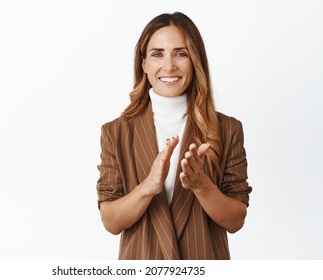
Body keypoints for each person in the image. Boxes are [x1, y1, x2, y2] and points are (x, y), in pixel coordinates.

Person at [96, 12, 252, 260]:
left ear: (195, 61)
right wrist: (147, 187)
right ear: (144, 64)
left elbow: (236, 220)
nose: (169, 66)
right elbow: (111, 222)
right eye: (157, 54)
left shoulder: (227, 129)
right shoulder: (116, 132)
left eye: (181, 53)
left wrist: (202, 186)